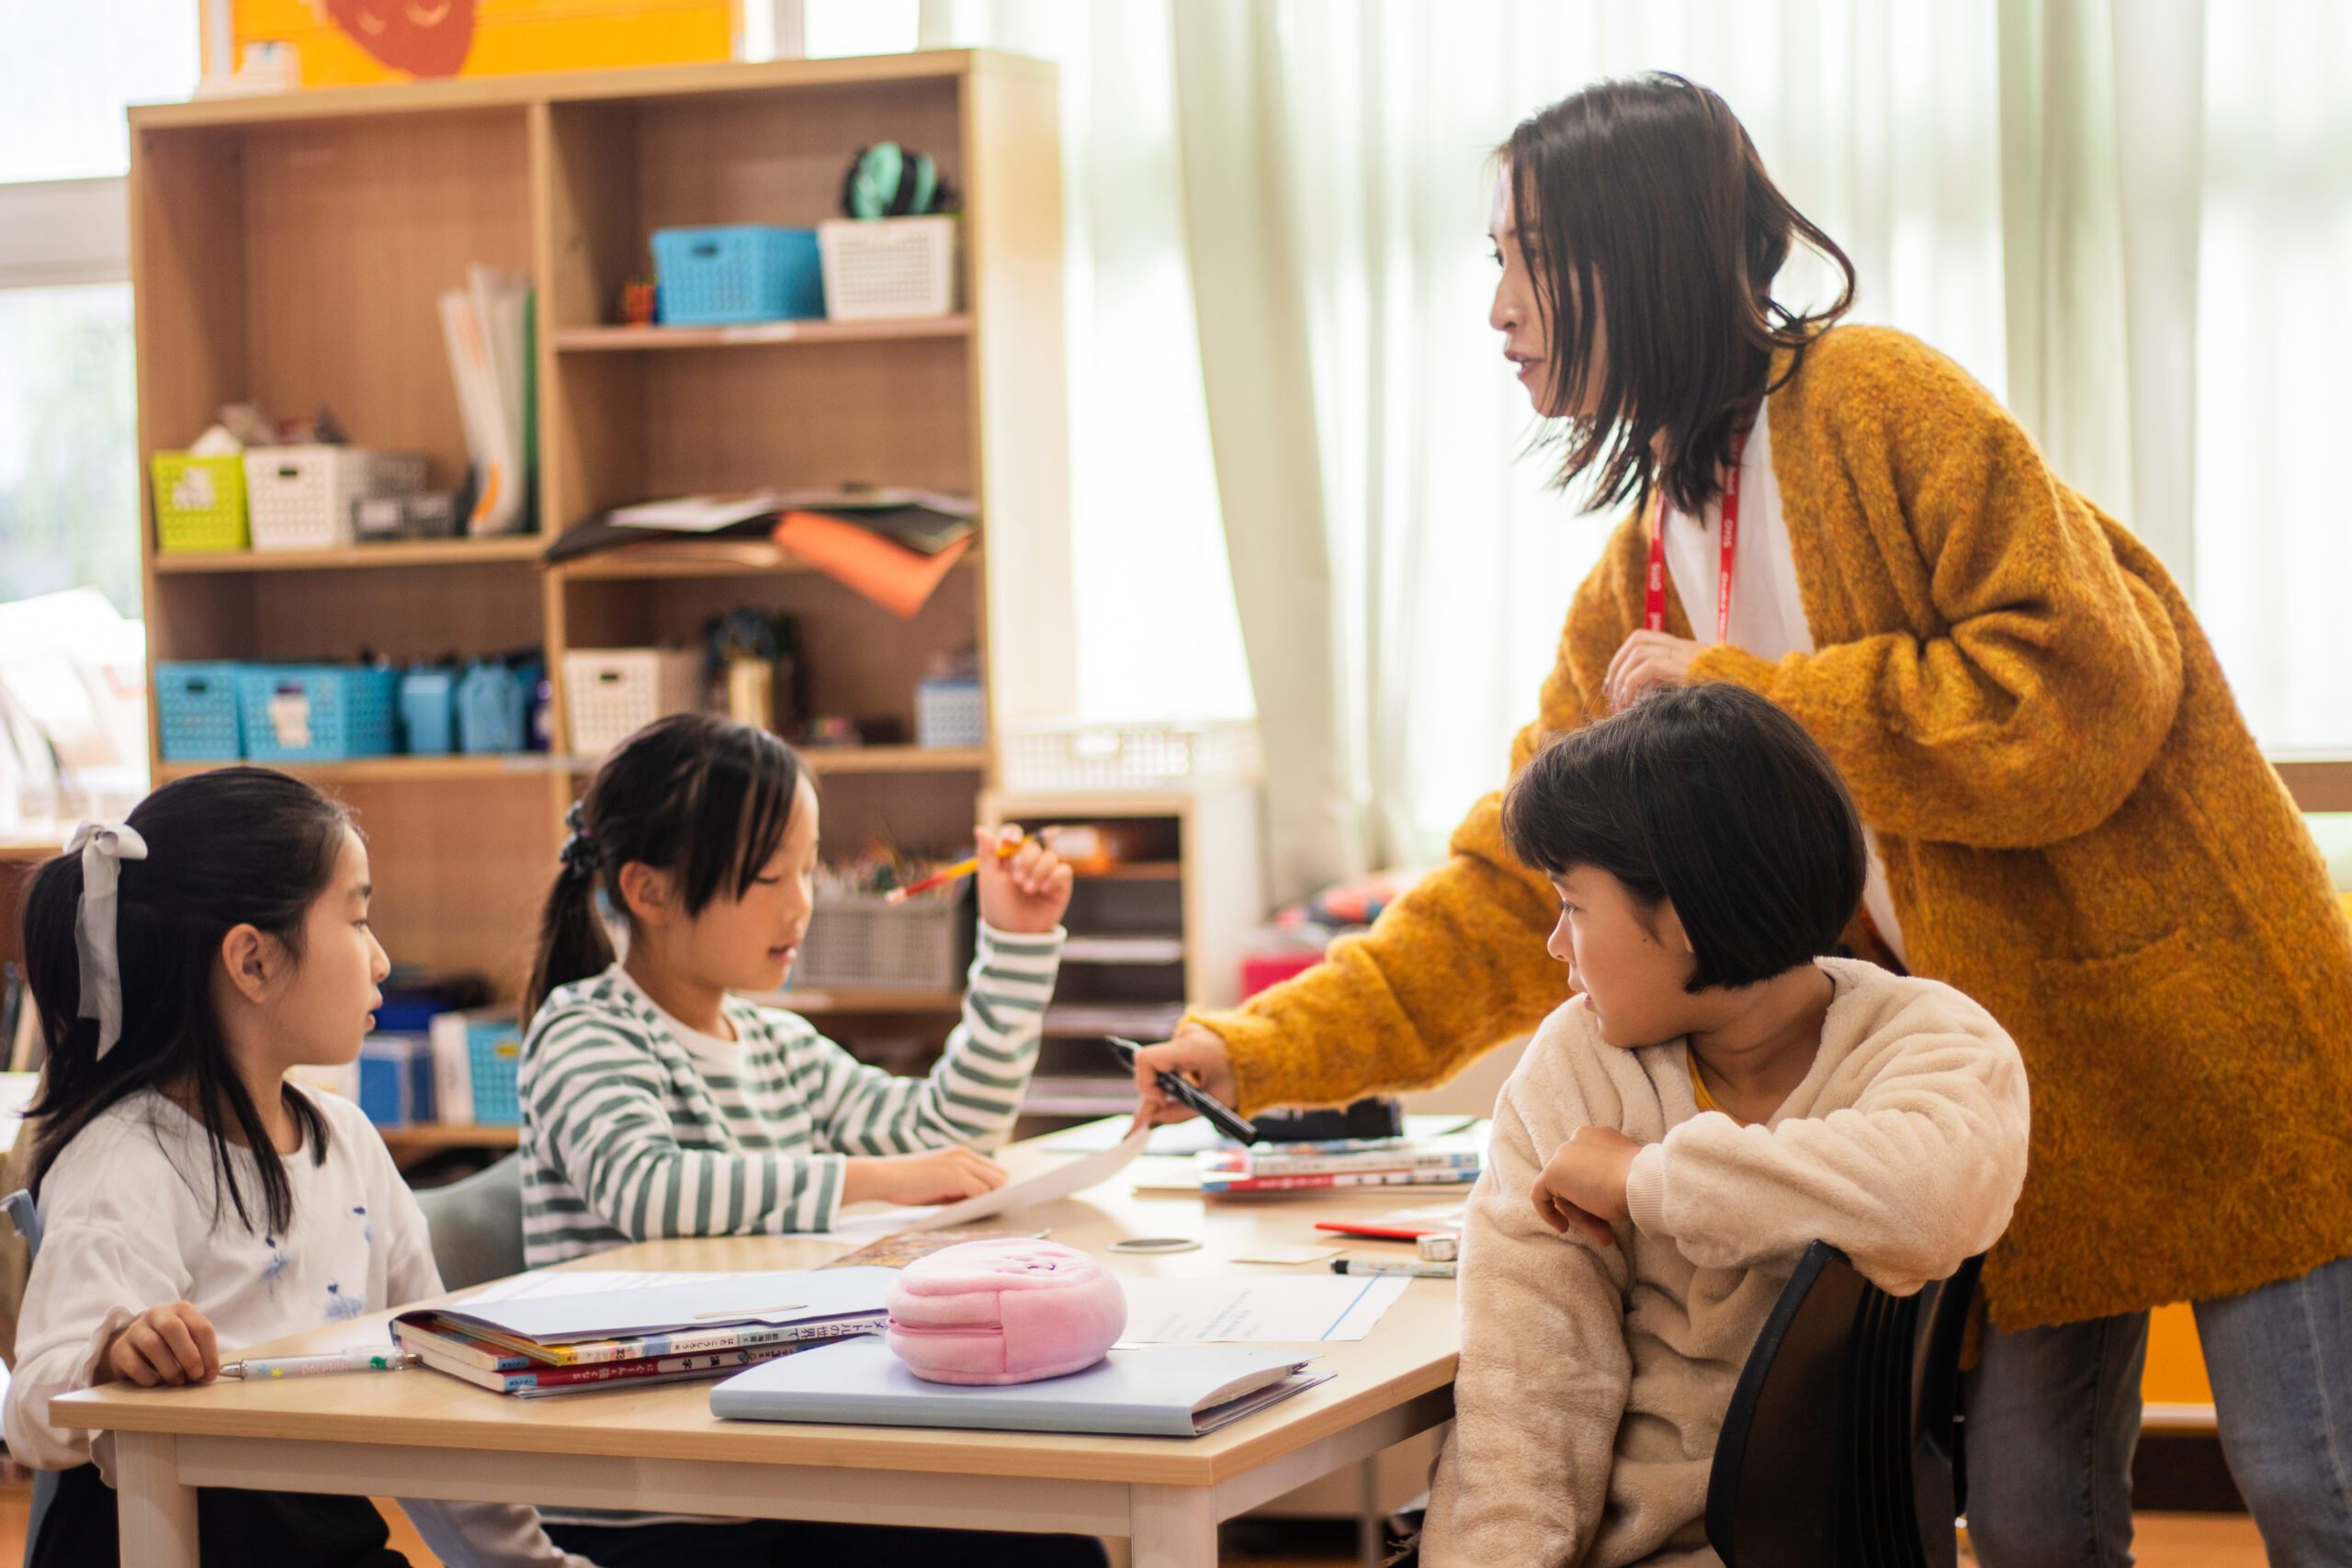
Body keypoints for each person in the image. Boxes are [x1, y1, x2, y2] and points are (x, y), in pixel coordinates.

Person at [1134, 73, 2352, 1565]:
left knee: (2315, 1484)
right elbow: (1516, 881)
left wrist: (1758, 692)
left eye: (1523, 256)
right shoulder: (1642, 566)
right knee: (2034, 1514)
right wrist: (1254, 1048)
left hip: (2194, 1021)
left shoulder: (1876, 404)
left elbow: (2090, 690)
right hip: (2016, 1094)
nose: (1498, 308)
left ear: (1627, 254)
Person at [1419, 683, 2029, 1565]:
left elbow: (1930, 1194)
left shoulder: (1931, 1037)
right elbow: (1529, 1397)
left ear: (1687, 913)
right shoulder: (1573, 1071)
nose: (1556, 943)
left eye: (1573, 906)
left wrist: (1643, 1181)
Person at [516, 713, 1104, 1568]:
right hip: (644, 1497)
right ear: (647, 890)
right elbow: (647, 1189)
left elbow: (947, 1136)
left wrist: (1014, 942)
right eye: (768, 876)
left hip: (771, 1457)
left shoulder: (773, 1041)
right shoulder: (586, 1030)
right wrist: (870, 1178)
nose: (803, 903)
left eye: (809, 869)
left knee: (1058, 1550)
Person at [5, 770, 597, 1568]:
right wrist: (110, 1356)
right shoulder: (126, 1156)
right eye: (357, 919)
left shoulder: (348, 1142)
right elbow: (33, 1410)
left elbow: (437, 1393)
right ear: (251, 961)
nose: (383, 958)